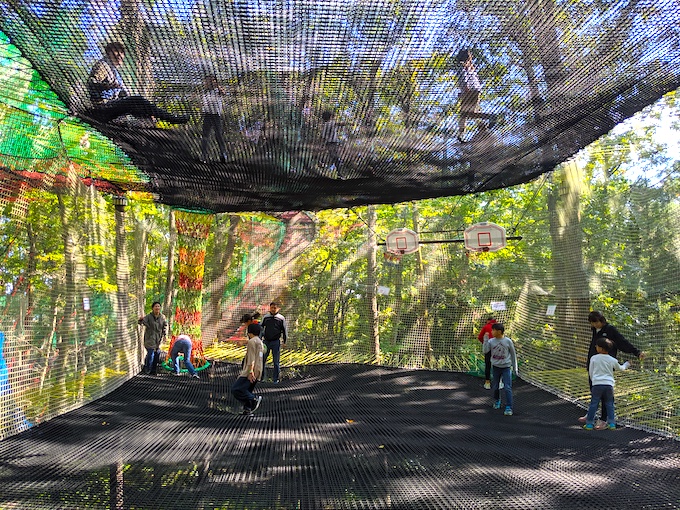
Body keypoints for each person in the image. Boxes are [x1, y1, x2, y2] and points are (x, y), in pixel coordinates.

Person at [87, 42, 189, 125]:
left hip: (114, 107)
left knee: (140, 108)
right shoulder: (103, 65)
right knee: (137, 99)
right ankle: (172, 118)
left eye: (122, 52)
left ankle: (153, 119)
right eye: (116, 51)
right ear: (108, 52)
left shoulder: (114, 71)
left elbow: (123, 95)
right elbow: (91, 83)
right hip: (102, 107)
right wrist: (107, 86)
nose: (119, 55)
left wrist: (146, 111)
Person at [580, 311, 646, 427]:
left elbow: (622, 342)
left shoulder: (610, 330)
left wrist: (636, 352)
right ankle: (591, 414)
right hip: (594, 364)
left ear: (601, 320)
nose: (594, 325)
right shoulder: (595, 330)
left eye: (596, 322)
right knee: (594, 391)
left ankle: (604, 419)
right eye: (592, 323)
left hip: (605, 367)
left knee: (605, 396)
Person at [583, 337, 631, 431]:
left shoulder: (594, 358)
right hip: (609, 385)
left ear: (600, 348)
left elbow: (591, 371)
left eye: (597, 346)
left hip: (597, 384)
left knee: (594, 404)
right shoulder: (612, 359)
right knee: (610, 404)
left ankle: (589, 424)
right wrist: (627, 364)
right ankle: (612, 423)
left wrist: (593, 381)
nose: (596, 347)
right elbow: (621, 368)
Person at [455, 48, 497, 142]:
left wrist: (465, 90)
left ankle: (490, 117)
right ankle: (462, 135)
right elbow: (473, 80)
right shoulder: (470, 67)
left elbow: (463, 78)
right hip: (474, 91)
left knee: (468, 114)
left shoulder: (462, 66)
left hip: (469, 91)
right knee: (464, 114)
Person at [483, 323, 518, 416]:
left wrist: (515, 368)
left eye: (493, 330)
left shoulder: (508, 341)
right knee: (495, 386)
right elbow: (485, 350)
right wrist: (485, 340)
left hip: (506, 367)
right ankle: (497, 400)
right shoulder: (491, 341)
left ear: (499, 331)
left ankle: (509, 407)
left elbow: (513, 355)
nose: (492, 332)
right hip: (496, 367)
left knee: (507, 387)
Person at [231, 323, 265, 415]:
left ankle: (254, 399)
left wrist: (250, 371)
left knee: (236, 389)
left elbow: (251, 358)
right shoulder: (260, 342)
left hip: (250, 371)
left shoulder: (252, 342)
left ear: (249, 332)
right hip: (258, 370)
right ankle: (248, 409)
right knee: (247, 390)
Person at [200, 75, 228, 163]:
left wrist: (217, 86)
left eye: (210, 81)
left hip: (216, 115)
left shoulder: (217, 90)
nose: (207, 82)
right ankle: (204, 155)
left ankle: (223, 154)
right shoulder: (205, 92)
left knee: (218, 135)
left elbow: (223, 93)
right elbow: (203, 103)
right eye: (206, 81)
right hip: (207, 115)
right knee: (205, 135)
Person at [260, 301, 288, 384]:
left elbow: (284, 331)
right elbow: (261, 328)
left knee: (276, 361)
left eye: (274, 308)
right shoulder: (266, 317)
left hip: (276, 342)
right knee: (262, 360)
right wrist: (259, 339)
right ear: (269, 308)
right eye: (272, 308)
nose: (273, 309)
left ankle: (275, 380)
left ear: (277, 308)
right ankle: (262, 378)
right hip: (266, 342)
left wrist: (284, 341)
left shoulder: (281, 318)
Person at [138, 301, 167, 375]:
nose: (157, 308)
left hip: (158, 339)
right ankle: (148, 369)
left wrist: (165, 335)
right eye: (155, 306)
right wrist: (140, 320)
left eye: (158, 306)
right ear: (153, 308)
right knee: (151, 353)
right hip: (149, 338)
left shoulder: (162, 317)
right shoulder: (149, 316)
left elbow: (165, 326)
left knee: (157, 353)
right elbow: (141, 322)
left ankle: (154, 369)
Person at [321, 110, 345, 179]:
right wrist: (348, 123)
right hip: (333, 143)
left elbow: (323, 136)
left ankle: (338, 171)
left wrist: (322, 144)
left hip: (329, 143)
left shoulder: (325, 125)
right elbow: (339, 124)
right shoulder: (330, 123)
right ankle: (339, 173)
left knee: (333, 157)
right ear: (330, 117)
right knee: (335, 157)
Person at [477, 316, 497, 389]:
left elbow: (480, 337)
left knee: (488, 364)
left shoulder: (486, 327)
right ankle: (499, 381)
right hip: (497, 348)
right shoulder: (498, 326)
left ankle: (487, 382)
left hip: (488, 348)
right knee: (497, 364)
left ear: (488, 320)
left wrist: (484, 343)